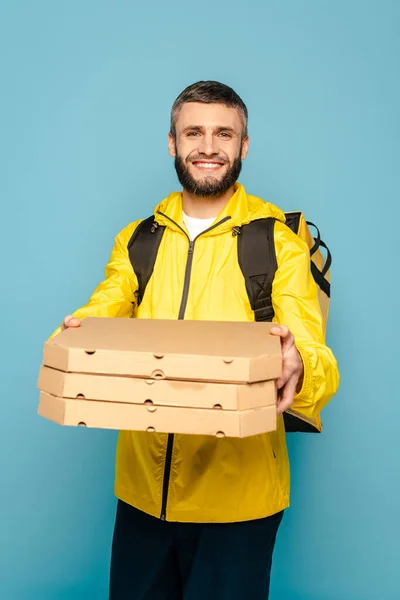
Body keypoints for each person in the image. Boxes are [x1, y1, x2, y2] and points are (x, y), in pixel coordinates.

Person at [56, 81, 339, 599]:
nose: (208, 146)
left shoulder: (277, 240)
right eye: (194, 132)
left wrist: (301, 365)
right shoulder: (140, 238)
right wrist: (77, 335)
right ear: (172, 142)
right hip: (143, 497)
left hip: (241, 502)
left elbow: (314, 351)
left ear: (243, 145)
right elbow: (105, 307)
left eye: (223, 133)